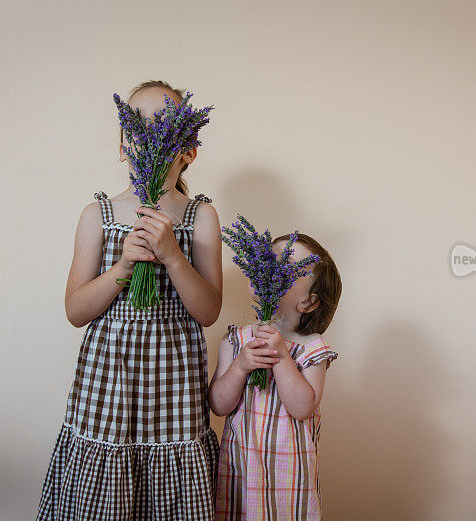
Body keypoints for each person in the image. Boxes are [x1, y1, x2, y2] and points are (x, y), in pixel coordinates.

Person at [36, 80, 223, 520]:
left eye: (166, 128)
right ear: (123, 146)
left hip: (172, 389)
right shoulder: (96, 215)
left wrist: (173, 257)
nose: (150, 139)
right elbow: (75, 311)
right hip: (108, 383)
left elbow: (209, 311)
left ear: (188, 149)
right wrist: (121, 268)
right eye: (138, 128)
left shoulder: (201, 217)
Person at [208, 233, 342, 521]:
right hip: (239, 468)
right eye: (268, 260)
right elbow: (218, 405)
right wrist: (240, 366)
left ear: (307, 303)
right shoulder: (236, 340)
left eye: (286, 267)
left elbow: (303, 407)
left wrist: (281, 357)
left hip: (289, 474)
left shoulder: (311, 348)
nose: (270, 269)